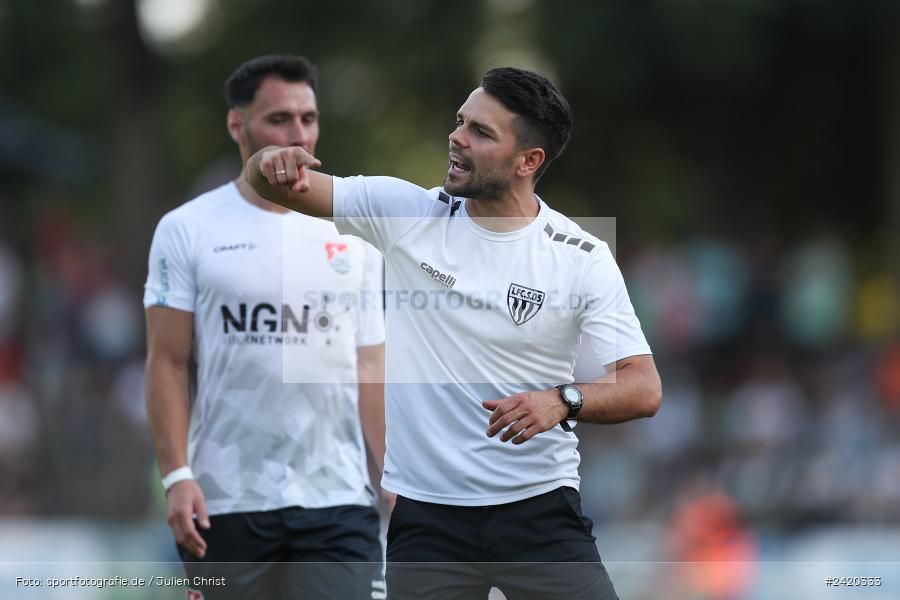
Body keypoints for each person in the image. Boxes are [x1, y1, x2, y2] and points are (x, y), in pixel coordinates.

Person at [246, 66, 662, 600]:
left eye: (482, 132)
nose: (458, 138)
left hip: (539, 512)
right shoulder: (405, 213)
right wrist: (268, 162)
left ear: (528, 162)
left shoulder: (579, 256)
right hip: (428, 523)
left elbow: (644, 388)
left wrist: (563, 400)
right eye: (461, 122)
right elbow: (274, 182)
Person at [144, 55, 389, 600]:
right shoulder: (187, 229)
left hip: (337, 499)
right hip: (226, 499)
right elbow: (167, 360)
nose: (297, 133)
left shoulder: (352, 233)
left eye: (308, 117)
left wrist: (392, 476)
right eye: (279, 119)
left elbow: (370, 364)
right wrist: (176, 475)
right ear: (238, 125)